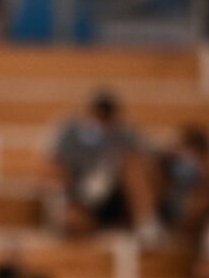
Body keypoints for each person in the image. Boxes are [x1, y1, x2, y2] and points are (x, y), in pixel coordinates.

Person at [40, 90, 155, 237]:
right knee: (72, 218)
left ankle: (146, 222)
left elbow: (146, 166)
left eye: (105, 117)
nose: (100, 122)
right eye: (97, 115)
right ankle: (67, 216)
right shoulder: (69, 133)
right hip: (80, 199)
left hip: (115, 198)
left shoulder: (125, 134)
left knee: (133, 165)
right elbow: (51, 167)